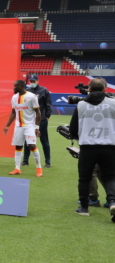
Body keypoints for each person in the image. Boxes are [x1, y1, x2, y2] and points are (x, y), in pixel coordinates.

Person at [69, 77, 115, 220]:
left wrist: (79, 137)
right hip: (109, 146)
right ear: (105, 89)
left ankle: (84, 207)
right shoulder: (113, 103)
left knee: (84, 178)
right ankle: (113, 201)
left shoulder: (81, 104)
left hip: (88, 147)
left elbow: (73, 129)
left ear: (89, 89)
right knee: (110, 177)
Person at [3, 80, 43, 177]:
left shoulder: (32, 97)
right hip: (18, 126)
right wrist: (7, 125)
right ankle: (17, 168)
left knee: (32, 145)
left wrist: (37, 127)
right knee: (18, 146)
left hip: (30, 125)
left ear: (20, 86)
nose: (13, 88)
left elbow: (38, 112)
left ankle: (39, 168)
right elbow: (13, 112)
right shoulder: (14, 97)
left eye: (15, 86)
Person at [22, 74, 52, 168]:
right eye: (31, 81)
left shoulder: (44, 90)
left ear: (38, 81)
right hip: (29, 120)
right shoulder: (26, 91)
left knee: (44, 141)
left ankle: (47, 162)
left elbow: (48, 104)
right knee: (28, 140)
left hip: (41, 119)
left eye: (34, 81)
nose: (32, 83)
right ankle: (25, 160)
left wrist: (47, 116)